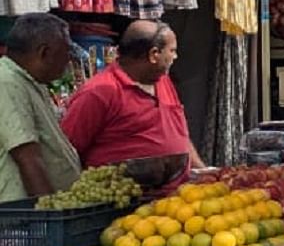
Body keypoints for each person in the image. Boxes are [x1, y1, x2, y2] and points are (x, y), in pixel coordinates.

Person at [60, 20, 206, 183]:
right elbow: (65, 153)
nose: (175, 57)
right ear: (154, 54)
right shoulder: (99, 92)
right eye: (172, 51)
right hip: (126, 201)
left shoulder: (162, 80)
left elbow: (178, 132)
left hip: (178, 199)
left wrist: (201, 170)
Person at [0, 13, 79, 200]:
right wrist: (48, 214)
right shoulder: (7, 82)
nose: (68, 61)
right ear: (44, 52)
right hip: (21, 218)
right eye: (66, 53)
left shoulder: (31, 81)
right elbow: (27, 157)